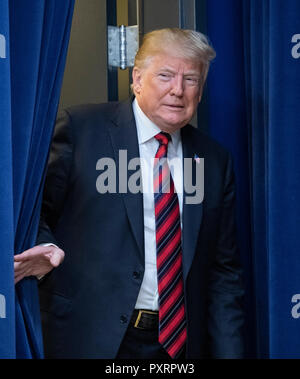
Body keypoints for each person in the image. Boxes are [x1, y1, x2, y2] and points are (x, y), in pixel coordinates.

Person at [14, 28, 245, 359]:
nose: (177, 90)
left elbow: (224, 273)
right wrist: (46, 246)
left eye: (190, 80)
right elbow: (32, 210)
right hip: (90, 338)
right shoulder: (80, 129)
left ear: (201, 90)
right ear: (137, 79)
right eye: (165, 75)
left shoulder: (213, 160)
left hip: (177, 348)